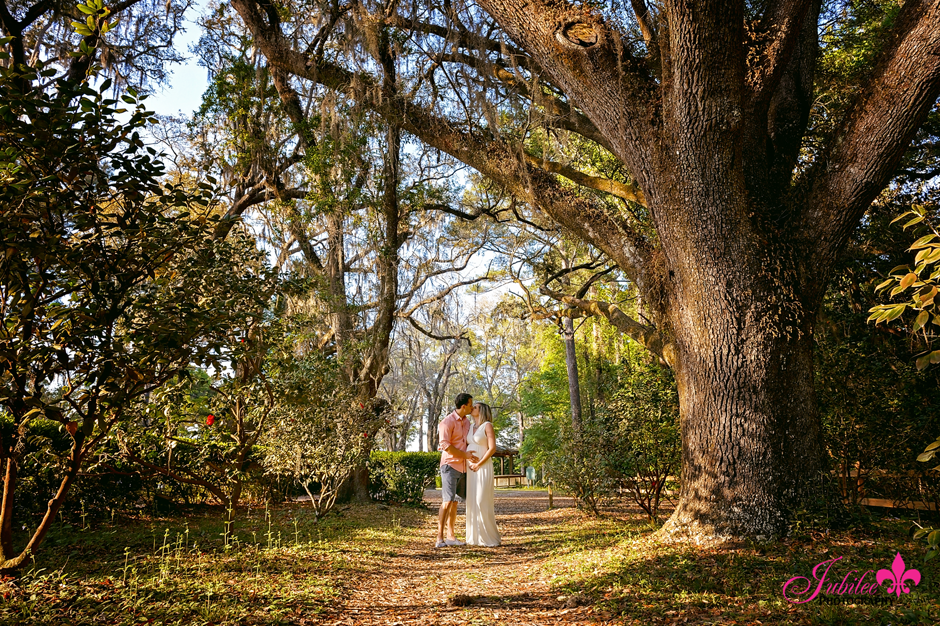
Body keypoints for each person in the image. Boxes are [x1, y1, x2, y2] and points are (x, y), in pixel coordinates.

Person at [436, 393, 478, 548]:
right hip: (449, 466)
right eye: (471, 404)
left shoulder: (467, 422)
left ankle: (451, 537)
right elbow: (445, 445)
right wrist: (464, 455)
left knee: (454, 503)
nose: (472, 407)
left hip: (463, 467)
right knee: (447, 502)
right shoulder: (447, 422)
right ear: (464, 406)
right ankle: (439, 538)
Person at [466, 402, 501, 547]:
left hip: (483, 466)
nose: (471, 408)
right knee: (472, 502)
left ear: (482, 411)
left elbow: (492, 448)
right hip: (470, 468)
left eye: (474, 407)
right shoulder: (469, 426)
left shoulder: (487, 425)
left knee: (481, 500)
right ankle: (474, 538)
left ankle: (488, 538)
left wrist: (479, 463)